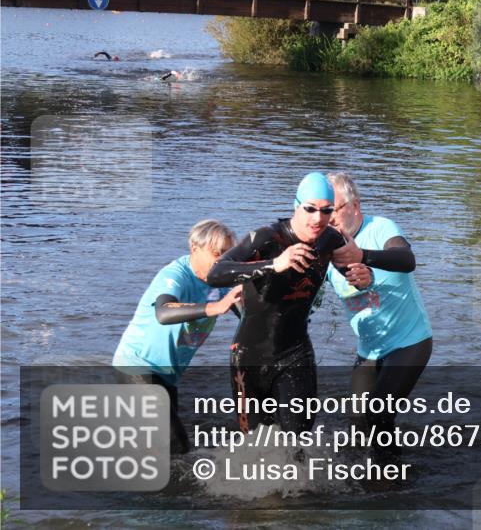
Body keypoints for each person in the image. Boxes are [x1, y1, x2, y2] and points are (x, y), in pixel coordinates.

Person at [206, 173, 348, 433]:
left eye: (326, 211)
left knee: (298, 442)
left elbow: (356, 268)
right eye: (310, 209)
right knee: (255, 445)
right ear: (296, 206)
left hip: (295, 353)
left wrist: (364, 277)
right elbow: (216, 273)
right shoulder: (267, 239)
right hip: (249, 357)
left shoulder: (331, 239)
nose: (318, 218)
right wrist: (273, 264)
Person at [324, 172, 432, 457]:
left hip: (410, 343)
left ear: (355, 205)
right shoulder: (323, 250)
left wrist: (363, 257)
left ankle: (394, 481)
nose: (329, 219)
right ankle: (371, 479)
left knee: (378, 415)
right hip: (369, 351)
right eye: (324, 212)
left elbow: (407, 260)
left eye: (334, 210)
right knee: (358, 424)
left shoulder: (381, 227)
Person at [113, 220, 242, 454]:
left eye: (227, 255)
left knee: (160, 448)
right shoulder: (175, 275)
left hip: (167, 374)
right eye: (216, 253)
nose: (222, 261)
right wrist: (214, 307)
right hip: (137, 366)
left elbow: (247, 315)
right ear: (195, 249)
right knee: (176, 446)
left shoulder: (221, 282)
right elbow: (163, 312)